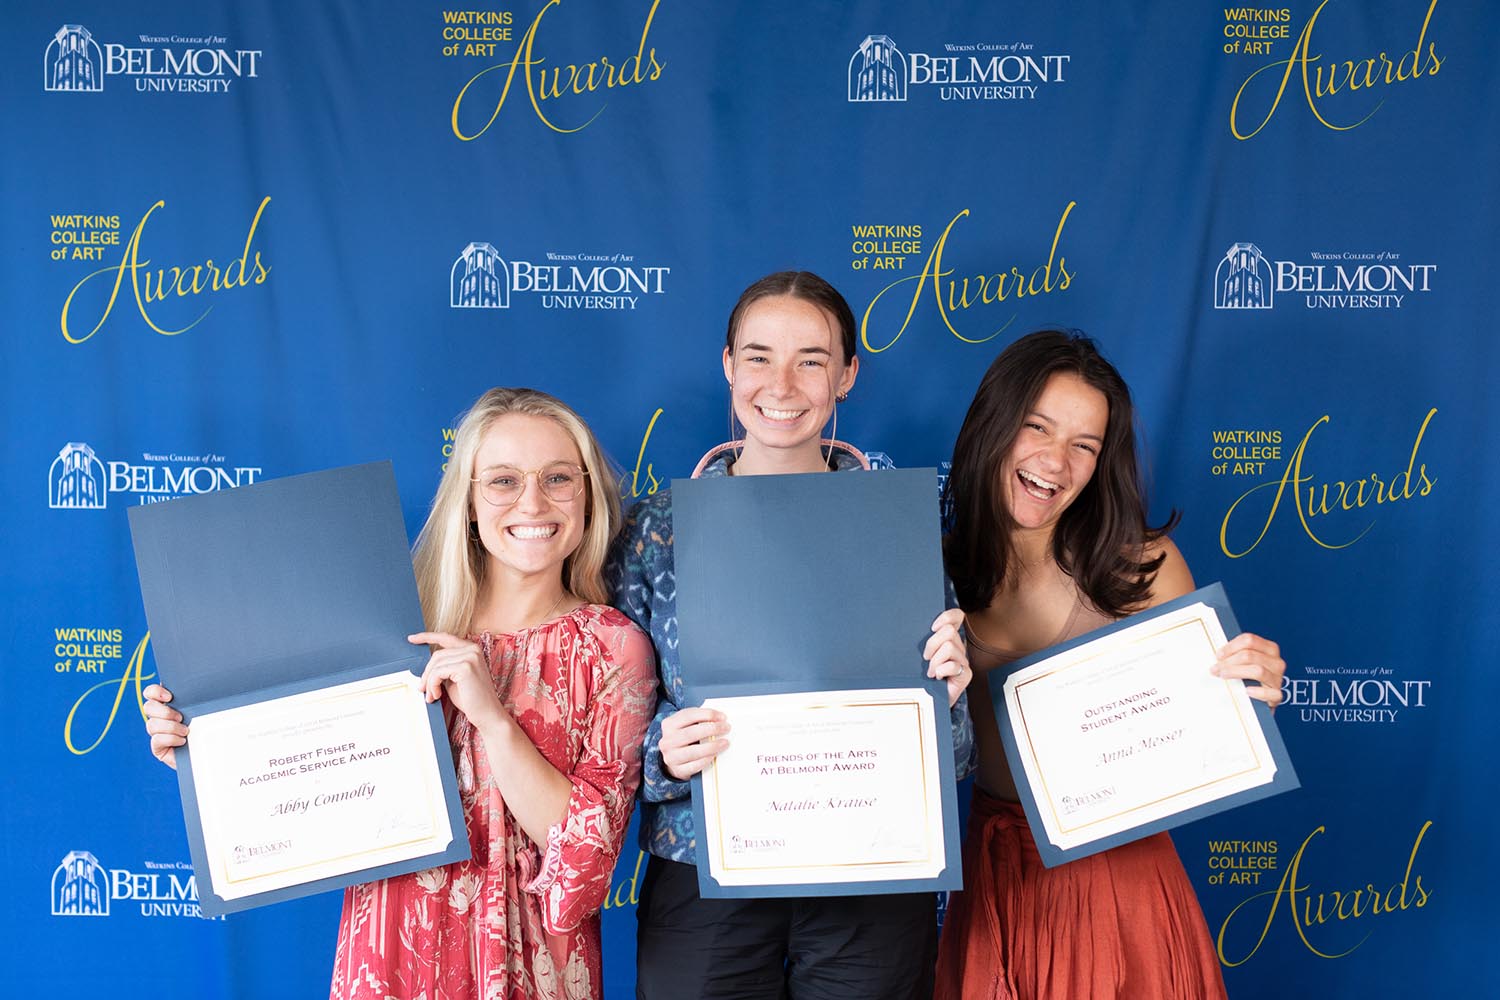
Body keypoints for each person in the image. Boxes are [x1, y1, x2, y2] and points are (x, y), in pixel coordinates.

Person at [143, 388, 657, 1000]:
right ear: (467, 501)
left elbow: (586, 864)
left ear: (587, 494)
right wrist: (203, 744)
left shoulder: (613, 648)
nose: (532, 501)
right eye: (502, 480)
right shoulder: (391, 628)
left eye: (557, 478)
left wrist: (493, 719)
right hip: (391, 955)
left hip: (532, 966)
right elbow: (308, 780)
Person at [607, 270, 975, 999]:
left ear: (846, 375)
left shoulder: (898, 522)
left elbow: (955, 754)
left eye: (811, 359)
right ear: (728, 367)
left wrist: (950, 701)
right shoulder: (654, 533)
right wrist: (661, 751)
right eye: (758, 356)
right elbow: (612, 733)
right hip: (705, 864)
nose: (782, 382)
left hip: (871, 866)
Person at [932, 329, 1287, 1000]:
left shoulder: (1142, 566)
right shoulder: (932, 572)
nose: (1054, 462)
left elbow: (1206, 738)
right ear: (992, 426)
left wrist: (1249, 698)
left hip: (1121, 890)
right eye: (1036, 428)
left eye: (1084, 446)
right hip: (993, 881)